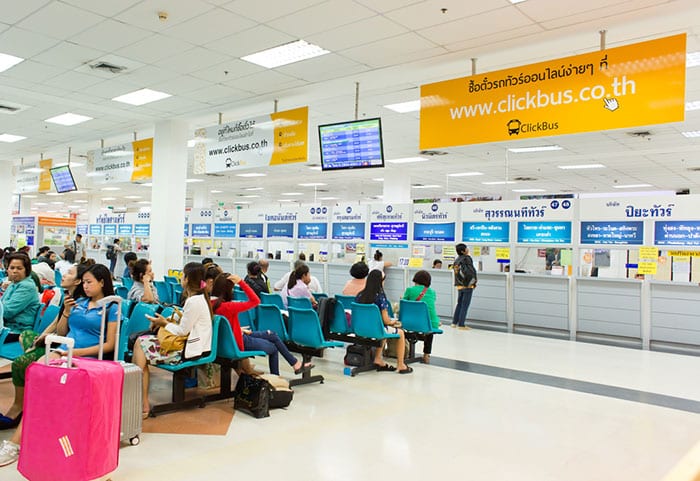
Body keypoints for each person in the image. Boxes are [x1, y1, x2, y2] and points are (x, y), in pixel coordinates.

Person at [0, 264, 119, 466]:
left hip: (84, 357)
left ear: (102, 282)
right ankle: (27, 436)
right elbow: (63, 332)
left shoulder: (112, 307)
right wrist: (66, 311)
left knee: (45, 390)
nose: (86, 286)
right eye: (85, 282)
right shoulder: (79, 302)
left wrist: (73, 352)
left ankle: (16, 443)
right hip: (63, 351)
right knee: (37, 377)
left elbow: (109, 344)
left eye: (90, 282)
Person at [0, 264, 87, 430]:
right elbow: (55, 323)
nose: (63, 274)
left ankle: (19, 406)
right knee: (27, 336)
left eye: (69, 273)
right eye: (11, 267)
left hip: (61, 346)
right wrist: (42, 337)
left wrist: (50, 335)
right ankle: (30, 370)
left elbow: (64, 331)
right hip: (53, 341)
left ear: (77, 281)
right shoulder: (68, 297)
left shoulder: (76, 304)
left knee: (20, 362)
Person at [133, 262, 214, 417]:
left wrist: (163, 323)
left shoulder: (194, 301)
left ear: (188, 279)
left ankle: (142, 401)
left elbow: (183, 330)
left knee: (140, 345)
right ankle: (142, 400)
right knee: (140, 344)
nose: (181, 278)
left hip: (188, 350)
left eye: (183, 275)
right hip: (188, 345)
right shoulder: (198, 299)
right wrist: (165, 321)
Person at [211, 273, 313, 376]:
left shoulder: (210, 303)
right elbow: (255, 301)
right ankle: (276, 377)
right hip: (239, 341)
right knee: (273, 348)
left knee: (272, 335)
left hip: (231, 339)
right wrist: (241, 283)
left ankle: (295, 363)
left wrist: (238, 329)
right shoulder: (229, 306)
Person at [355, 270, 411, 374]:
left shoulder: (360, 295)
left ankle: (378, 358)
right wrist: (392, 322)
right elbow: (385, 320)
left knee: (384, 330)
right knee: (400, 333)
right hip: (376, 329)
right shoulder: (380, 297)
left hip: (361, 328)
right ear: (380, 281)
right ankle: (401, 364)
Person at [1, 253, 41, 341]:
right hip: (7, 327)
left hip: (17, 331)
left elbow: (7, 312)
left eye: (19, 268)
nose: (14, 271)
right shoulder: (14, 283)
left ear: (26, 270)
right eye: (12, 268)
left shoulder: (27, 286)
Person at [403, 270, 439, 364]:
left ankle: (403, 352)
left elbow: (403, 304)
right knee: (429, 331)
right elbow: (430, 305)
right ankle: (426, 354)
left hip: (410, 322)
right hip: (428, 323)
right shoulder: (432, 292)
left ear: (415, 279)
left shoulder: (409, 290)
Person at [452, 243, 477, 330]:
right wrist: (473, 283)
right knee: (465, 305)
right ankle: (461, 324)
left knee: (459, 304)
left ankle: (454, 322)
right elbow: (470, 272)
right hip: (467, 285)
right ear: (463, 251)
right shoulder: (467, 258)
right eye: (466, 248)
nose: (467, 250)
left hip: (459, 285)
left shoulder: (457, 260)